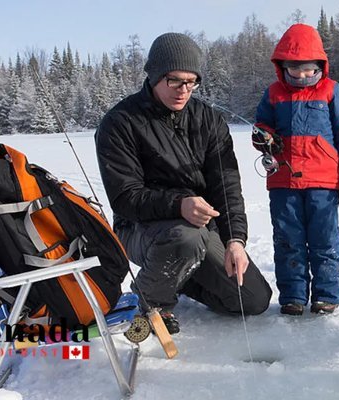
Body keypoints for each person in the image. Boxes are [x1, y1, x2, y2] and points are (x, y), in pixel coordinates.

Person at [95, 32, 273, 334]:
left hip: (200, 231)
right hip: (139, 230)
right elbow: (126, 197)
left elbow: (226, 186)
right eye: (174, 81)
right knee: (185, 237)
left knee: (254, 299)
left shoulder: (209, 121)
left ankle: (178, 274)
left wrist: (235, 241)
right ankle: (152, 304)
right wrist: (179, 204)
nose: (184, 90)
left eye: (192, 82)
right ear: (154, 77)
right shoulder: (120, 122)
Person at [253, 24, 339, 316]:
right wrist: (263, 137)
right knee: (288, 240)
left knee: (324, 240)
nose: (302, 76)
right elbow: (261, 126)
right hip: (283, 181)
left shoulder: (331, 90)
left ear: (319, 66)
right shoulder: (274, 93)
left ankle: (327, 295)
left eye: (308, 70)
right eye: (294, 70)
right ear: (283, 67)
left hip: (322, 182)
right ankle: (293, 296)